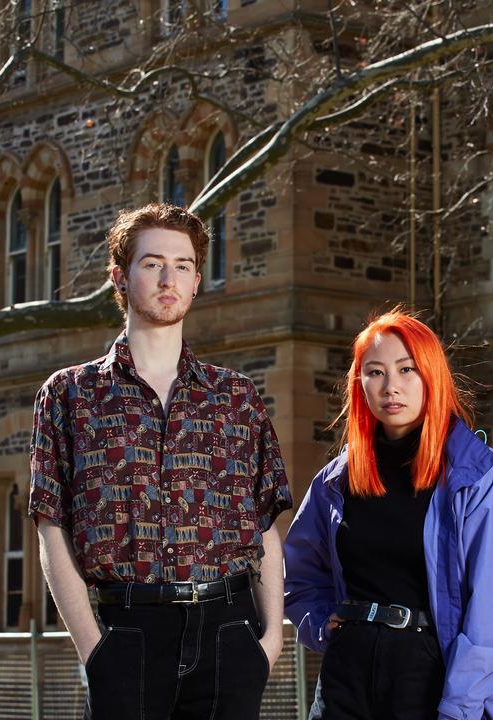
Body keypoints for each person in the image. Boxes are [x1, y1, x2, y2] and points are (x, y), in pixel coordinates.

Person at [28, 203, 292, 720]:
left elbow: (264, 528)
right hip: (125, 634)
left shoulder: (236, 396)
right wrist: (93, 651)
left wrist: (269, 644)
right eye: (152, 263)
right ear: (120, 277)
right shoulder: (69, 395)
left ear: (196, 281)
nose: (168, 278)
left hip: (228, 633)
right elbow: (50, 529)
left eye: (184, 265)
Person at [283, 310, 493, 720]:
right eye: (375, 373)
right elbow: (299, 574)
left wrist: (459, 708)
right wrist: (321, 623)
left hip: (430, 673)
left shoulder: (474, 474)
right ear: (361, 385)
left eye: (406, 369)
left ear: (431, 375)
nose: (391, 386)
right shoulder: (336, 480)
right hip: (346, 675)